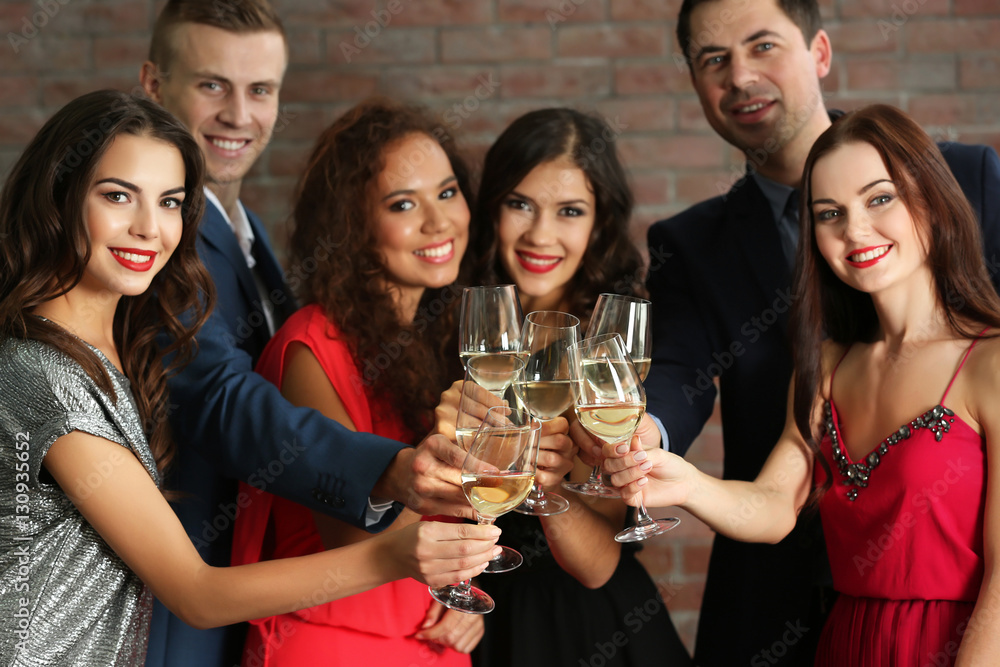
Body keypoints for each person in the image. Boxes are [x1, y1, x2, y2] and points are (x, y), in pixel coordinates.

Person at [0, 90, 501, 667]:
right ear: (59, 197)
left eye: (169, 202)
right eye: (118, 196)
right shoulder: (42, 373)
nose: (148, 228)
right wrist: (395, 555)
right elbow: (195, 592)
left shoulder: (120, 346)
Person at [642, 0, 1000, 663]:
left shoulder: (989, 355)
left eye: (880, 199)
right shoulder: (826, 361)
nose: (855, 230)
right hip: (818, 630)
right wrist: (674, 470)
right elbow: (773, 497)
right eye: (829, 214)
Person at [138, 3, 476, 664]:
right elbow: (221, 399)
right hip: (192, 593)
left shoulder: (248, 233)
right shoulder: (156, 236)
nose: (240, 114)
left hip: (266, 588)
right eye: (213, 85)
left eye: (260, 89)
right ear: (153, 84)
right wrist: (388, 468)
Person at [231, 98, 486, 666]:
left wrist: (464, 588)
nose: (438, 221)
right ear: (353, 224)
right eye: (403, 204)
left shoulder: (437, 338)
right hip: (331, 643)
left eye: (447, 192)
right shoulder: (312, 344)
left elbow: (445, 521)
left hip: (432, 640)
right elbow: (356, 536)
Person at [459, 107, 692, 666]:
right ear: (493, 206)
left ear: (599, 223)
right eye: (521, 204)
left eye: (570, 211)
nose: (541, 234)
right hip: (476, 617)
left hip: (579, 625)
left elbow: (596, 565)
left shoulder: (605, 356)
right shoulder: (462, 321)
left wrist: (548, 486)